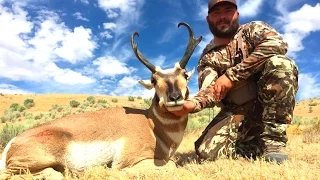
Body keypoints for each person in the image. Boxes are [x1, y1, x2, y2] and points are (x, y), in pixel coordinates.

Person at [172, 0, 298, 163]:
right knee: (205, 152)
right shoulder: (208, 58)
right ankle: (255, 144)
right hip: (238, 113)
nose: (222, 17)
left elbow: (277, 44)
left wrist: (233, 76)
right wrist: (193, 104)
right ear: (208, 19)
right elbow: (210, 90)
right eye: (216, 13)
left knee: (281, 64)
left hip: (268, 106)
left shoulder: (252, 30)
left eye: (228, 11)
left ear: (237, 14)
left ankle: (274, 141)